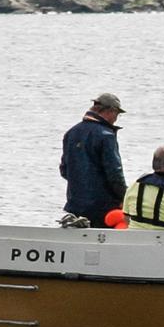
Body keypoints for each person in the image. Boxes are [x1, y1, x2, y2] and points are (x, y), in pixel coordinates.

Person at [60, 93, 128, 228]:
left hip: (75, 205)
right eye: (117, 114)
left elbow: (64, 170)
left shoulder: (71, 132)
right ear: (110, 111)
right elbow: (114, 174)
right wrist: (124, 198)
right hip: (103, 207)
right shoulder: (106, 136)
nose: (116, 119)